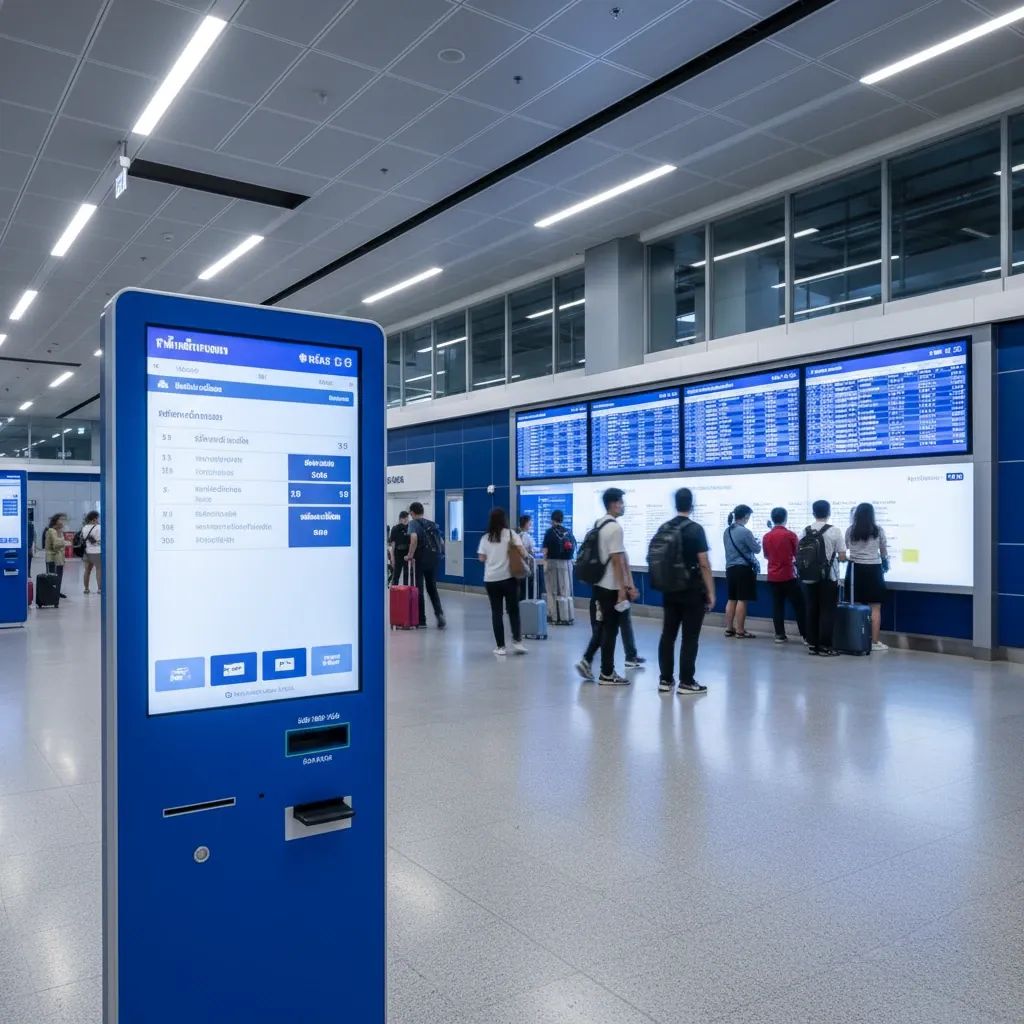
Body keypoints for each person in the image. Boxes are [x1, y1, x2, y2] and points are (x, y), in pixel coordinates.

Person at [655, 488, 714, 695]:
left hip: (669, 590)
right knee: (690, 637)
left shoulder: (665, 527)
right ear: (692, 504)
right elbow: (704, 563)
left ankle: (665, 679)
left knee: (668, 635)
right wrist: (711, 591)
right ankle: (687, 681)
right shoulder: (695, 529)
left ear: (676, 504)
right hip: (691, 592)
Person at [575, 488, 636, 685]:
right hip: (610, 586)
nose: (623, 505)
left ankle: (587, 659)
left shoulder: (599, 523)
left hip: (598, 584)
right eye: (621, 502)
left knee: (603, 626)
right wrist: (622, 589)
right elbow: (617, 560)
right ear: (613, 504)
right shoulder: (615, 528)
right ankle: (607, 673)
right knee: (611, 630)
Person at [477, 508, 527, 656]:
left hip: (491, 580)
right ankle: (517, 642)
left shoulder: (485, 538)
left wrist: (492, 557)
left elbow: (481, 558)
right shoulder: (511, 534)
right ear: (504, 520)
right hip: (509, 579)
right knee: (513, 611)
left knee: (496, 612)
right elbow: (523, 552)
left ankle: (500, 647)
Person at [802, 499, 847, 657]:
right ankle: (825, 645)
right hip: (829, 577)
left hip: (809, 576)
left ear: (813, 513)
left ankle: (813, 644)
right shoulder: (835, 531)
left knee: (812, 609)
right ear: (829, 513)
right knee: (828, 611)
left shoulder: (806, 530)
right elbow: (842, 556)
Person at [845, 502, 889, 652]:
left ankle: (856, 639)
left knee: (856, 606)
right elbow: (883, 552)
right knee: (875, 608)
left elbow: (848, 548)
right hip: (874, 571)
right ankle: (875, 643)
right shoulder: (878, 531)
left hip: (855, 570)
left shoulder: (850, 531)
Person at [762, 507, 806, 644]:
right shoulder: (791, 535)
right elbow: (797, 555)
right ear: (785, 518)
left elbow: (766, 555)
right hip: (788, 575)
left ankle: (779, 635)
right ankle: (806, 636)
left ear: (772, 518)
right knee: (799, 606)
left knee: (777, 606)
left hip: (773, 576)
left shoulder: (766, 536)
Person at [405, 501, 446, 629]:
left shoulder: (413, 524)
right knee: (432, 588)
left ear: (412, 513)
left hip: (420, 559)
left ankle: (421, 620)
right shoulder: (432, 524)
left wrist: (410, 555)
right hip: (433, 559)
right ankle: (439, 614)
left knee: (419, 589)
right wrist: (442, 553)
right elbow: (441, 541)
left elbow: (414, 539)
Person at [723, 504, 760, 638]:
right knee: (742, 600)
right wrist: (757, 542)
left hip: (730, 569)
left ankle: (729, 628)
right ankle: (740, 630)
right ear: (745, 516)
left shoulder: (727, 531)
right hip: (743, 569)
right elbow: (756, 549)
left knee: (731, 599)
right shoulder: (745, 532)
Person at [541, 509, 574, 623]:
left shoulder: (549, 532)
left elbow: (545, 551)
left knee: (552, 591)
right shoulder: (569, 532)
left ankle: (553, 616)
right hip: (567, 564)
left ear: (552, 520)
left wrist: (544, 562)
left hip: (552, 563)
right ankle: (566, 616)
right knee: (565, 591)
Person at [43, 513, 69, 600]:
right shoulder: (51, 531)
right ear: (56, 521)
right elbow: (56, 544)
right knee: (53, 576)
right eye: (61, 520)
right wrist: (65, 543)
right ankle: (52, 593)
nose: (63, 522)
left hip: (59, 558)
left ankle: (57, 591)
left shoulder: (59, 531)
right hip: (53, 558)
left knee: (59, 576)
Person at [516, 513, 536, 602]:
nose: (531, 525)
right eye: (529, 523)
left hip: (516, 566)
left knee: (518, 588)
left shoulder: (516, 535)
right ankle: (525, 606)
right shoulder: (526, 536)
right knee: (525, 588)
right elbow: (531, 550)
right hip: (525, 566)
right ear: (525, 524)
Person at [388, 511, 411, 586]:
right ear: (400, 519)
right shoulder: (395, 529)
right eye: (404, 518)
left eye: (407, 518)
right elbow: (393, 544)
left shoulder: (409, 528)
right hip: (398, 553)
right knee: (396, 574)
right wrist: (392, 557)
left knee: (406, 574)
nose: (406, 520)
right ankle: (394, 590)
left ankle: (406, 591)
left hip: (407, 553)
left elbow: (412, 543)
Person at [81, 510, 101, 595]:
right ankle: (99, 588)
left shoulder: (84, 528)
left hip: (87, 552)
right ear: (94, 519)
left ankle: (86, 589)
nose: (98, 520)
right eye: (97, 518)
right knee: (99, 569)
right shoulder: (98, 527)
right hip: (97, 551)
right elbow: (100, 540)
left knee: (87, 570)